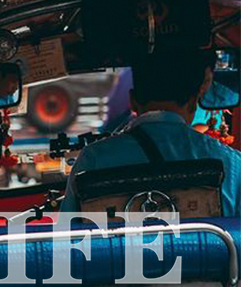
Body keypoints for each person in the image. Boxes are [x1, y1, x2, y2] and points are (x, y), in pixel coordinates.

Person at [62, 13, 241, 222]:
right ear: (194, 100)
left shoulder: (93, 159)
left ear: (133, 101)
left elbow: (69, 239)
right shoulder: (230, 163)